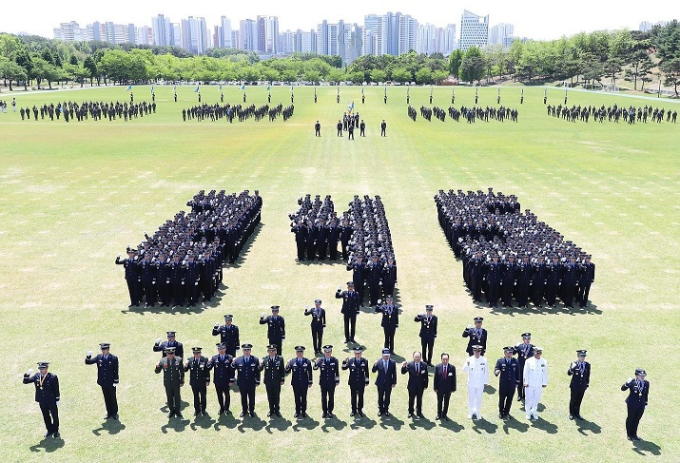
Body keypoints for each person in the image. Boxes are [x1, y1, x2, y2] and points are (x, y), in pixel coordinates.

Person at [23, 362, 60, 438]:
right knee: (46, 415)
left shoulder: (52, 377)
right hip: (42, 400)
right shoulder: (37, 376)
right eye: (40, 369)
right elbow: (25, 381)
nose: (41, 370)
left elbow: (56, 388)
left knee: (54, 416)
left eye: (43, 369)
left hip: (51, 400)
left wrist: (57, 398)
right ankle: (49, 430)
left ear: (46, 368)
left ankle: (56, 430)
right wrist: (27, 374)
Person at [85, 343, 119, 420]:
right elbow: (88, 362)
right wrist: (88, 356)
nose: (103, 351)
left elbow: (116, 370)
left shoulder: (113, 358)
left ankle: (115, 413)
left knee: (112, 398)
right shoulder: (99, 357)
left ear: (108, 350)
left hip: (111, 382)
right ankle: (109, 412)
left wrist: (116, 380)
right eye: (102, 350)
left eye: (105, 350)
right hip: (103, 382)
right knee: (106, 397)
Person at [154, 347, 185, 419]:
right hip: (167, 383)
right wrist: (157, 367)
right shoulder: (162, 361)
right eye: (169, 354)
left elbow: (182, 372)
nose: (171, 355)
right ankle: (171, 411)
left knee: (177, 397)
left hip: (176, 382)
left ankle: (177, 411)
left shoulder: (179, 360)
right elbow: (157, 372)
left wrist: (182, 381)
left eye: (172, 354)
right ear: (166, 354)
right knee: (169, 397)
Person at [232, 344, 260, 417]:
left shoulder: (255, 359)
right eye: (245, 350)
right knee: (243, 397)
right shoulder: (238, 360)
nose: (246, 351)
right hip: (242, 383)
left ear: (250, 351)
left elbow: (257, 372)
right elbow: (232, 369)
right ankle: (244, 411)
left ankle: (251, 411)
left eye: (248, 350)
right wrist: (233, 363)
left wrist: (257, 381)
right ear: (242, 351)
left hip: (251, 383)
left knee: (251, 397)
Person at [285, 346, 313, 418]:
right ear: (296, 353)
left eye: (301, 352)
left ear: (303, 353)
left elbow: (310, 372)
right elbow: (286, 372)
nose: (299, 353)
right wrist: (287, 364)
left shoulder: (307, 361)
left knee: (304, 397)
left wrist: (310, 382)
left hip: (304, 383)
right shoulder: (292, 361)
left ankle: (303, 411)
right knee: (297, 397)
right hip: (295, 383)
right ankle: (297, 411)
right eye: (298, 352)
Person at [622, 368, 649, 441]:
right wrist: (627, 383)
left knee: (637, 419)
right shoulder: (632, 382)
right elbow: (623, 389)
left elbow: (646, 394)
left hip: (641, 405)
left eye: (644, 375)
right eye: (641, 375)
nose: (643, 377)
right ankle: (629, 434)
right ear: (637, 376)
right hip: (632, 404)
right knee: (631, 418)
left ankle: (634, 434)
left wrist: (645, 403)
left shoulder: (646, 383)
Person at [463, 345, 489, 419]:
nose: (477, 353)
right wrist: (467, 365)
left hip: (480, 383)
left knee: (479, 398)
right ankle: (471, 412)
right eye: (475, 351)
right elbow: (464, 370)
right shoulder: (469, 359)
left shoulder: (484, 360)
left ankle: (477, 411)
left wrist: (486, 381)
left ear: (480, 351)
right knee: (471, 397)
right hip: (471, 383)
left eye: (478, 351)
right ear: (473, 351)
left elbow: (486, 371)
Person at [342, 347, 370, 417]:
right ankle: (353, 410)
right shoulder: (351, 361)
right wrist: (344, 361)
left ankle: (360, 409)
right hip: (353, 382)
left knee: (361, 396)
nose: (358, 355)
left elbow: (366, 372)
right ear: (354, 353)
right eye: (356, 353)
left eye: (359, 353)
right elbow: (343, 368)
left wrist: (367, 381)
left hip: (361, 382)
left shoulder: (365, 361)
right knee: (353, 396)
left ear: (361, 353)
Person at [314, 345, 340, 418]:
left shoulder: (335, 360)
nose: (327, 353)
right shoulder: (321, 360)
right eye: (326, 352)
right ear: (324, 352)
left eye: (329, 352)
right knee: (323, 397)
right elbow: (315, 368)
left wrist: (337, 380)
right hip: (323, 383)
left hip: (332, 382)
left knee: (331, 397)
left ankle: (330, 411)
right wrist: (316, 363)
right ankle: (324, 412)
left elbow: (337, 371)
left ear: (331, 352)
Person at [259, 344, 285, 417]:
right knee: (270, 396)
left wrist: (282, 379)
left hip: (277, 381)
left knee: (276, 396)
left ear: (276, 351)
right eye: (270, 351)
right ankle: (271, 410)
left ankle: (277, 410)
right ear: (268, 351)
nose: (272, 352)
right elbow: (259, 369)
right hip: (268, 382)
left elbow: (282, 370)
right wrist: (260, 364)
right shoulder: (265, 359)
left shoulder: (280, 359)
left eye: (273, 350)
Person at [184, 347, 211, 417]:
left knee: (203, 396)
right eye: (195, 353)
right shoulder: (190, 360)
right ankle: (197, 410)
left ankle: (203, 409)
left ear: (200, 353)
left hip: (202, 382)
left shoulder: (204, 360)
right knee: (196, 396)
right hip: (194, 383)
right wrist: (186, 365)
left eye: (198, 353)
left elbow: (207, 371)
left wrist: (207, 380)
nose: (196, 354)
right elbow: (185, 370)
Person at [523, 346, 548, 420]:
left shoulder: (544, 362)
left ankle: (534, 411)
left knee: (536, 399)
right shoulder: (529, 361)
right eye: (537, 353)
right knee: (528, 399)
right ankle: (528, 413)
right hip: (530, 384)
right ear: (534, 353)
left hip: (539, 384)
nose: (538, 354)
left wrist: (544, 382)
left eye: (540, 353)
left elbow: (545, 373)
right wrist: (525, 382)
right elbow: (525, 372)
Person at [494, 346, 520, 419]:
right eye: (508, 353)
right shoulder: (500, 361)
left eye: (511, 353)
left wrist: (517, 382)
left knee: (509, 399)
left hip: (512, 384)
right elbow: (496, 369)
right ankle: (501, 412)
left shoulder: (515, 361)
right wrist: (497, 372)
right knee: (502, 399)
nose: (509, 354)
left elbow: (517, 373)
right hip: (503, 384)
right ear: (505, 353)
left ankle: (507, 412)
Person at [209, 343, 234, 415]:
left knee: (227, 395)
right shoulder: (214, 358)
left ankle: (226, 408)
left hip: (226, 381)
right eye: (219, 349)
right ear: (218, 350)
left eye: (222, 349)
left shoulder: (230, 358)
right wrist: (209, 362)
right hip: (217, 381)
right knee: (219, 395)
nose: (221, 350)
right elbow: (209, 368)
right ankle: (221, 408)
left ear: (225, 349)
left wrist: (231, 380)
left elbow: (232, 370)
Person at [401, 351, 428, 419]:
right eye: (416, 357)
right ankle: (410, 412)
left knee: (419, 399)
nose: (417, 358)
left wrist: (425, 385)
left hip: (420, 386)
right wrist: (403, 366)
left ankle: (419, 412)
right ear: (413, 357)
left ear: (420, 357)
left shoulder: (424, 365)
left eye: (418, 357)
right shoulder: (410, 364)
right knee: (411, 399)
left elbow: (426, 376)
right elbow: (403, 372)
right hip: (412, 386)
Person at [372, 348, 397, 417]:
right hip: (380, 383)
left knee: (387, 397)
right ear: (382, 355)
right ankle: (381, 409)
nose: (386, 357)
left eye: (387, 355)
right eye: (385, 355)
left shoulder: (392, 362)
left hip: (389, 383)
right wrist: (375, 365)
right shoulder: (379, 362)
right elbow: (373, 371)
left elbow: (394, 373)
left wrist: (394, 382)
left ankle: (386, 409)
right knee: (380, 396)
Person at [568, 349, 590, 420]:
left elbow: (587, 375)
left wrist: (587, 384)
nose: (583, 358)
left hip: (582, 386)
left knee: (579, 400)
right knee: (573, 400)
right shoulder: (574, 364)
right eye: (581, 356)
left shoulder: (587, 365)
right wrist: (572, 368)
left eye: (584, 356)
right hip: (575, 386)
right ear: (578, 356)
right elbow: (569, 373)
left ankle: (577, 413)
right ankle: (571, 413)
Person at [434, 353, 456, 421]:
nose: (445, 361)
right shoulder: (438, 367)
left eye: (446, 359)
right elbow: (436, 378)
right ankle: (439, 414)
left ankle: (444, 414)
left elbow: (454, 379)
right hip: (440, 388)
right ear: (441, 359)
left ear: (448, 359)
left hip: (448, 389)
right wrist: (435, 388)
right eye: (444, 359)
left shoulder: (452, 368)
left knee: (446, 402)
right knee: (439, 401)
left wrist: (453, 388)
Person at [513, 332, 534, 401]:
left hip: (529, 367)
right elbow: (513, 353)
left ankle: (525, 394)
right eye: (526, 339)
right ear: (523, 339)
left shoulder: (533, 347)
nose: (527, 340)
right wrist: (515, 346)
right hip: (520, 367)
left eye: (529, 338)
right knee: (520, 381)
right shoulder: (520, 347)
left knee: (527, 381)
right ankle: (519, 395)